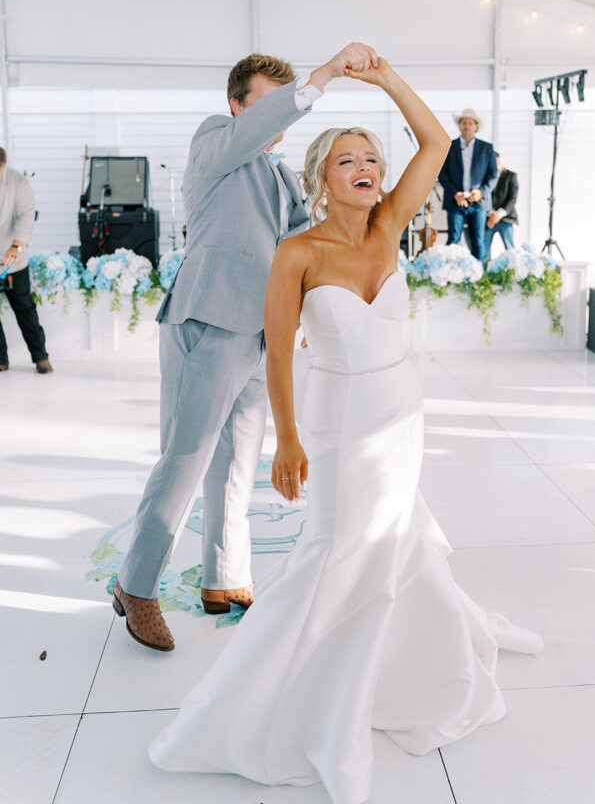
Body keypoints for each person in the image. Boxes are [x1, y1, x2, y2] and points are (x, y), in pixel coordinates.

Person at [149, 58, 543, 803]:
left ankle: (404, 671)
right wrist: (287, 441)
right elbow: (275, 355)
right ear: (320, 179)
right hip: (335, 426)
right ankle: (266, 702)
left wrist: (388, 79)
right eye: (345, 160)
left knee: (395, 541)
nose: (363, 168)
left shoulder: (391, 225)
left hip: (400, 416)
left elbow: (431, 145)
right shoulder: (296, 253)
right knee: (331, 551)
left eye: (369, 159)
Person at [112, 43, 378, 653]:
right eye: (266, 107)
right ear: (238, 108)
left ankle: (224, 580)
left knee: (237, 462)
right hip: (207, 316)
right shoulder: (215, 142)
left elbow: (295, 254)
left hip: (261, 332)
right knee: (186, 455)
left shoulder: (282, 178)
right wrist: (323, 78)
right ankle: (137, 584)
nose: (276, 121)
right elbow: (256, 129)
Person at [0, 148, 52, 374]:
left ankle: (40, 357)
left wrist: (16, 245)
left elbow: (26, 217)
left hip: (13, 258)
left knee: (24, 308)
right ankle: (1, 360)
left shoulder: (18, 182)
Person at [438, 108, 497, 260]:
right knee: (453, 239)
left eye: (470, 123)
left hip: (479, 202)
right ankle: (450, 274)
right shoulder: (449, 147)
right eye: (464, 122)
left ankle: (479, 278)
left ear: (476, 126)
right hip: (455, 200)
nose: (467, 125)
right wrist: (455, 193)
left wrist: (481, 192)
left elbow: (493, 175)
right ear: (459, 125)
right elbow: (441, 173)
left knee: (478, 240)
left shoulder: (486, 148)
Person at [484, 152, 519, 257]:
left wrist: (498, 215)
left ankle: (512, 270)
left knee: (510, 249)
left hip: (506, 217)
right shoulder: (484, 177)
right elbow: (483, 196)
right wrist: (490, 215)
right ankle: (484, 271)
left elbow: (512, 199)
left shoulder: (511, 176)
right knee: (484, 249)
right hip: (488, 218)